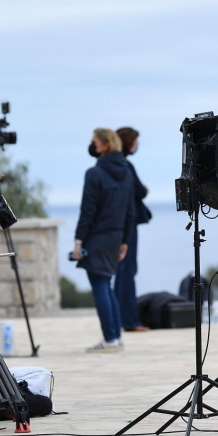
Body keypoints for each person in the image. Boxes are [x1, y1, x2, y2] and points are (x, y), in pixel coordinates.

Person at [72, 128, 135, 353]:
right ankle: (115, 336)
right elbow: (130, 211)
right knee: (106, 285)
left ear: (106, 145)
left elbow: (87, 210)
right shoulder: (126, 171)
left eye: (95, 142)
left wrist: (78, 240)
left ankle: (109, 338)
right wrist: (125, 240)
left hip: (97, 237)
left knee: (100, 285)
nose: (92, 146)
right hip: (116, 236)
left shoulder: (94, 173)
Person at [114, 127, 152, 333]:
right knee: (127, 271)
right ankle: (129, 321)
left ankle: (119, 318)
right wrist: (145, 189)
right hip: (127, 225)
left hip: (115, 223)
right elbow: (139, 190)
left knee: (121, 272)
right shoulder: (125, 165)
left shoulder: (110, 164)